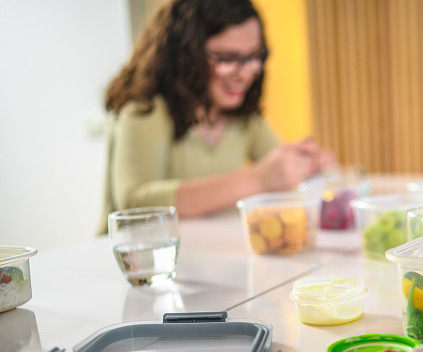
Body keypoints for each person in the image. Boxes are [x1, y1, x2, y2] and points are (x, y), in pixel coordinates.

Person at [100, 0, 334, 231]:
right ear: (186, 55)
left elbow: (279, 173)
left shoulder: (242, 116)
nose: (244, 74)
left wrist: (306, 165)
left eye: (254, 57)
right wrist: (257, 180)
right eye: (227, 59)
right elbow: (134, 202)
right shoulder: (146, 110)